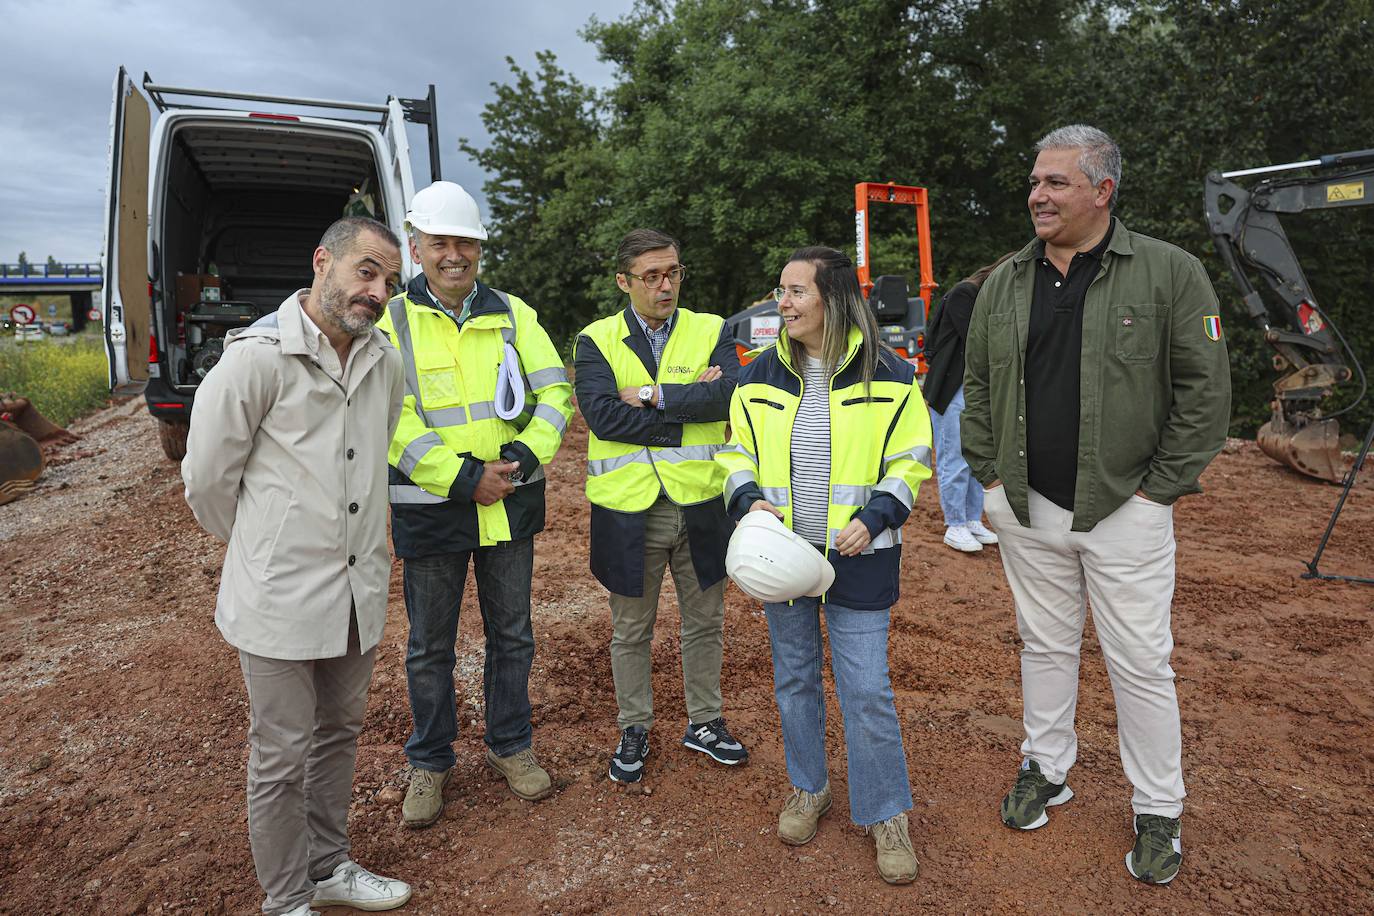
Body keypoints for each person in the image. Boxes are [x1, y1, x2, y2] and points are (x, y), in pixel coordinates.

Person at [962, 125, 1231, 885]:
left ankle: (1158, 809)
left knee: (1140, 663)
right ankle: (1046, 768)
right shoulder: (1007, 281)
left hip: (1125, 511)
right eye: (1035, 182)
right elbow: (978, 387)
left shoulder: (1169, 274)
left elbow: (1205, 396)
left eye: (1056, 183)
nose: (1037, 195)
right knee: (1043, 644)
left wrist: (1156, 496)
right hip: (1026, 508)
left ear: (1103, 191)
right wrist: (988, 481)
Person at [182, 216, 411, 915]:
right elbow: (206, 483)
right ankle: (285, 901)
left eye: (389, 282)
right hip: (278, 596)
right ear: (323, 261)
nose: (376, 292)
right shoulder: (257, 359)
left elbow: (374, 462)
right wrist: (266, 549)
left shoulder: (384, 362)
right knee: (281, 753)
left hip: (356, 592)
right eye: (366, 271)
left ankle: (328, 867)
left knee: (339, 734)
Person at [717, 246, 933, 885]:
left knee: (866, 690)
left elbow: (911, 458)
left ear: (833, 299)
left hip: (860, 559)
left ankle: (886, 813)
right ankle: (808, 788)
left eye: (796, 292)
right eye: (780, 290)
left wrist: (877, 517)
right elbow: (734, 454)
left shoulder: (889, 373)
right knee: (795, 681)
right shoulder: (758, 377)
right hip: (783, 563)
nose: (782, 303)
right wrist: (750, 503)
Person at [379, 181, 573, 827]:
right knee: (429, 647)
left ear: (480, 249)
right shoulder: (393, 322)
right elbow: (389, 418)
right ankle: (430, 762)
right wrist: (465, 479)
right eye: (440, 243)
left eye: (465, 242)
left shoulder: (515, 314)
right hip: (434, 509)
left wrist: (521, 458)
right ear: (417, 247)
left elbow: (554, 395)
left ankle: (511, 746)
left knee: (513, 637)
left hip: (509, 503)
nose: (454, 254)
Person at [574, 228, 748, 785]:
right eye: (651, 276)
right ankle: (635, 725)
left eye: (672, 272)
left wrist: (651, 397)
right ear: (624, 281)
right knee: (631, 629)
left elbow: (729, 394)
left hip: (701, 503)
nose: (665, 284)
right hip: (630, 511)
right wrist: (688, 408)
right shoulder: (595, 340)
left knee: (705, 622)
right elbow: (603, 417)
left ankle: (705, 721)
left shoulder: (712, 328)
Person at [922, 254, 1013, 552]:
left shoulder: (990, 300)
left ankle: (972, 519)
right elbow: (979, 340)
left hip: (976, 390)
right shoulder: (966, 293)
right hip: (951, 390)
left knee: (977, 459)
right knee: (954, 457)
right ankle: (955, 524)